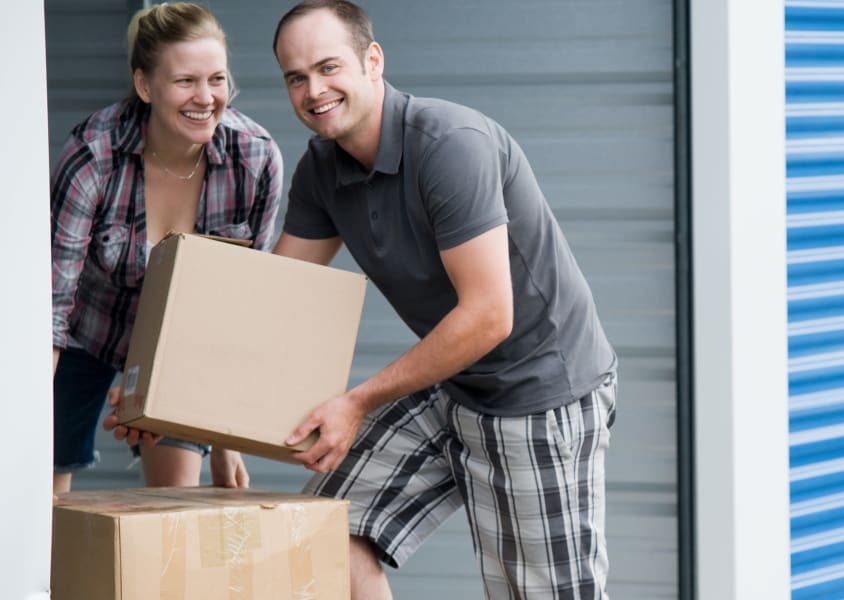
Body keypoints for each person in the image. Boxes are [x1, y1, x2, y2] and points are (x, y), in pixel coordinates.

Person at [270, 1, 618, 597]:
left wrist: (355, 402)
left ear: (372, 60)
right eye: (296, 77)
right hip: (456, 383)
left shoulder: (449, 145)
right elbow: (270, 294)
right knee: (326, 531)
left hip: (536, 390)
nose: (314, 90)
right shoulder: (322, 169)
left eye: (329, 67)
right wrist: (161, 390)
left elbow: (489, 316)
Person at [52, 2, 283, 495]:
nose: (205, 98)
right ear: (144, 86)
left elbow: (240, 303)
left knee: (176, 501)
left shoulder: (255, 159)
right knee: (41, 494)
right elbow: (51, 306)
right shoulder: (93, 156)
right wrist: (32, 424)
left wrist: (225, 439)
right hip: (80, 333)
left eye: (217, 79)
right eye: (185, 82)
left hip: (179, 344)